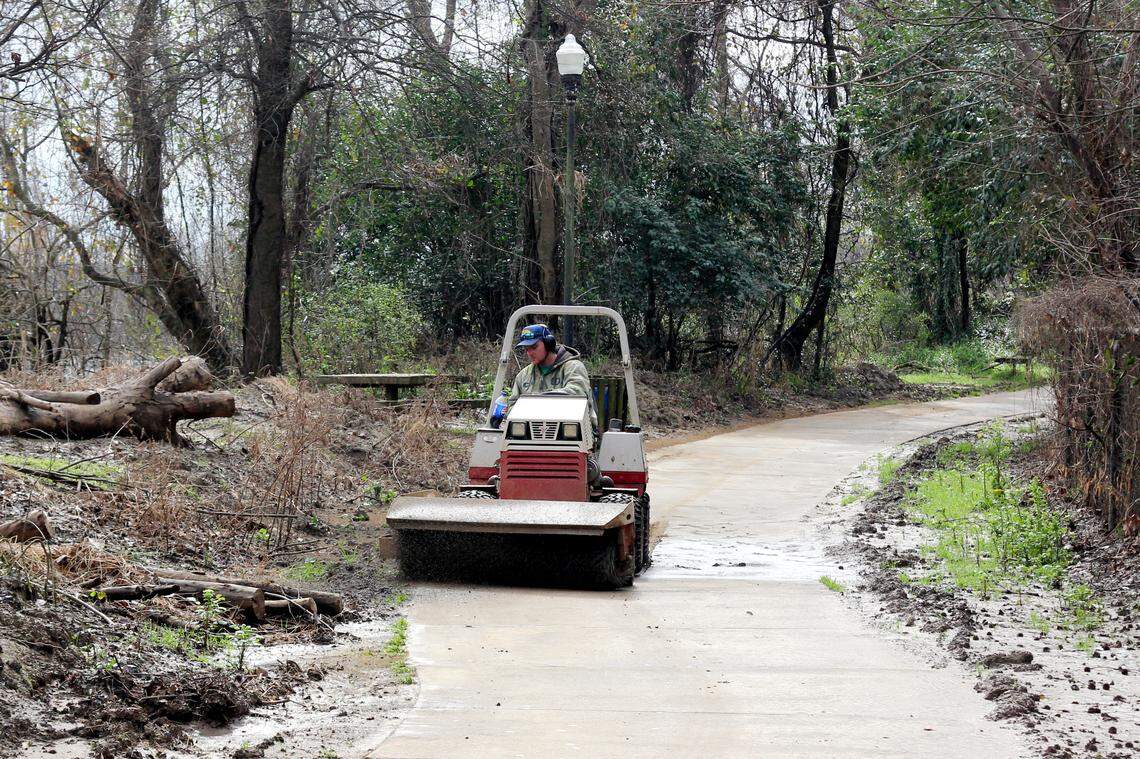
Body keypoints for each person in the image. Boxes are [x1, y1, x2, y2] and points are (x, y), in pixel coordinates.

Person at [504, 323, 597, 429]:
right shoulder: (523, 376)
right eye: (526, 349)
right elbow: (512, 407)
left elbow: (578, 392)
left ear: (549, 344)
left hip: (571, 433)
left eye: (534, 347)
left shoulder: (573, 367)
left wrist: (537, 401)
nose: (529, 353)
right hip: (532, 434)